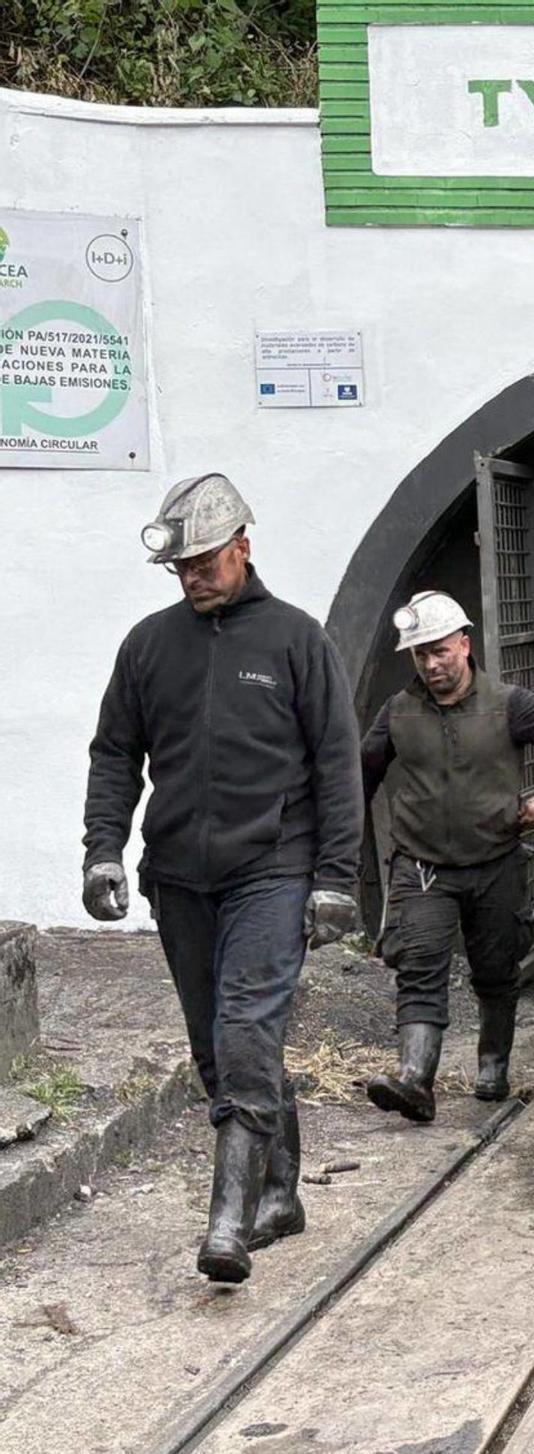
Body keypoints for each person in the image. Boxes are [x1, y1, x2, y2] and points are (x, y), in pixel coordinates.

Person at [81, 473, 363, 1284]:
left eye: (207, 560)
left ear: (244, 545)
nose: (195, 576)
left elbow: (338, 767)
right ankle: (281, 1192)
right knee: (221, 1046)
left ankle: (227, 1219)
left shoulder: (296, 641)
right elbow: (114, 756)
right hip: (177, 875)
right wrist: (103, 850)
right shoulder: (147, 647)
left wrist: (336, 878)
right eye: (183, 568)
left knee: (245, 1029)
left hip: (272, 868)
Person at [361, 591, 534, 1123]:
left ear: (465, 644)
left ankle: (493, 1062)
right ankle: (416, 1079)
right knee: (418, 968)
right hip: (422, 867)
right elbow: (363, 774)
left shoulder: (507, 703)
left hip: (495, 862)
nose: (431, 664)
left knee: (495, 969)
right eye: (420, 655)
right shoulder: (398, 712)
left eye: (440, 650)